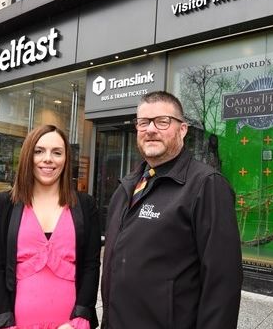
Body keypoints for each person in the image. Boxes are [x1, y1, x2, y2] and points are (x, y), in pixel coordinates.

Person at [101, 91, 243, 329]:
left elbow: (223, 282)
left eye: (162, 121)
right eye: (143, 122)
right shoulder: (126, 187)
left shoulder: (206, 185)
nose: (151, 129)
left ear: (183, 129)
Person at [0, 125, 101, 329]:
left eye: (57, 152)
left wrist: (80, 318)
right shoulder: (4, 204)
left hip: (68, 325)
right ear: (28, 156)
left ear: (66, 159)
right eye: (39, 151)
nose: (48, 159)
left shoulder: (85, 205)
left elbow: (90, 265)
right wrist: (4, 323)